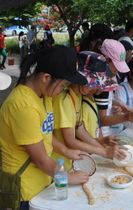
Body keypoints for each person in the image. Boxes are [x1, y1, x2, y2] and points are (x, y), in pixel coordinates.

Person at [0, 46, 90, 208]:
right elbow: (41, 160)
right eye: (63, 85)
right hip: (25, 189)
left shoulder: (43, 95)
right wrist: (69, 177)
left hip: (43, 182)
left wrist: (66, 151)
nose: (63, 90)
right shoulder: (23, 106)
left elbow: (45, 133)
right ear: (46, 77)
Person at [51, 50, 129, 170]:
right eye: (92, 84)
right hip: (59, 163)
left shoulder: (77, 97)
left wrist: (102, 141)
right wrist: (104, 152)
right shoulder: (64, 100)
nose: (94, 89)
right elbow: (70, 141)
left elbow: (79, 130)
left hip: (73, 160)